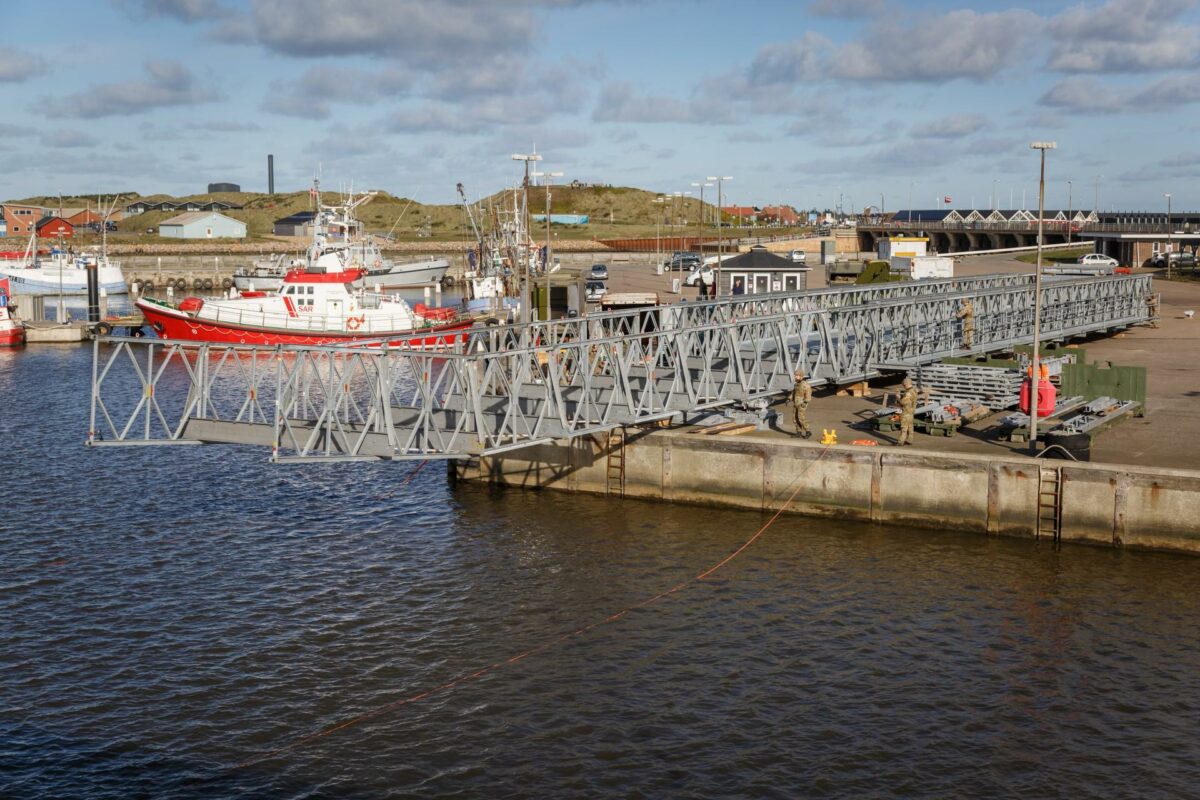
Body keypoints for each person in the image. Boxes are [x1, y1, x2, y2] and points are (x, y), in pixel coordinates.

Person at [896, 376, 918, 446]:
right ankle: (910, 440)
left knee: (904, 427)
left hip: (906, 412)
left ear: (905, 384)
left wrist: (898, 398)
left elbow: (903, 402)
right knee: (910, 426)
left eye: (903, 385)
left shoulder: (908, 393)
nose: (903, 387)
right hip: (912, 411)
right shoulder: (914, 390)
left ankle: (901, 441)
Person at [791, 369, 813, 439]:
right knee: (795, 418)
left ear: (801, 376)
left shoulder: (805, 385)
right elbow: (793, 392)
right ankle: (798, 432)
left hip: (802, 404)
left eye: (797, 376)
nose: (795, 377)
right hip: (796, 403)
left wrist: (805, 402)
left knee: (801, 418)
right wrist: (789, 398)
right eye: (795, 375)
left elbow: (808, 395)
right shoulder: (796, 384)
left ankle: (808, 431)